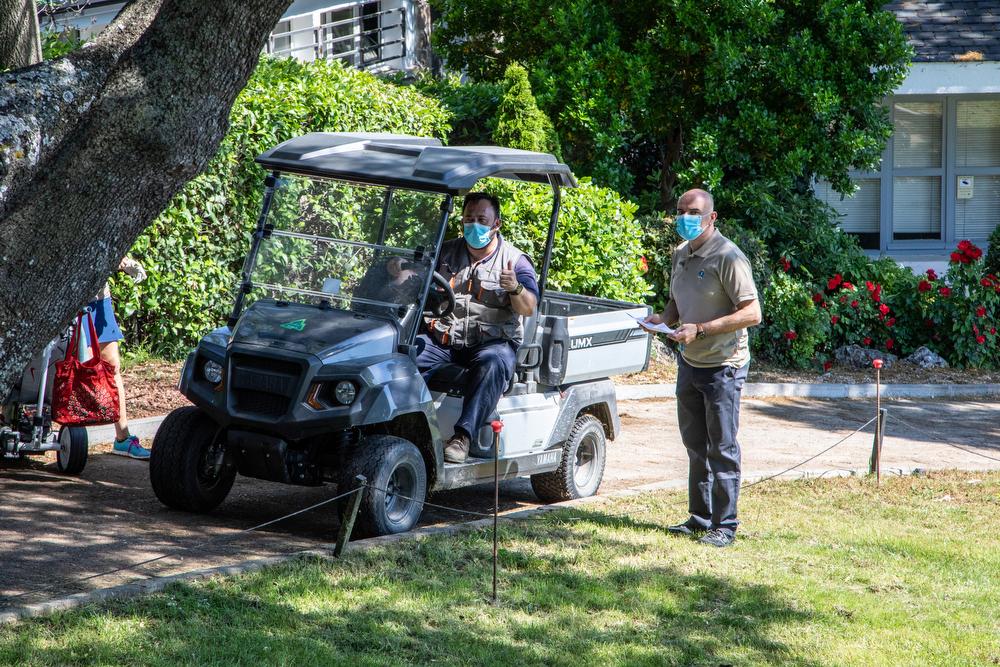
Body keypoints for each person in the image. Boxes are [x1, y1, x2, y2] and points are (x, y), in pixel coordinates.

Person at [642, 188, 762, 548]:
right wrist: (664, 318)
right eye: (680, 211)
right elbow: (677, 299)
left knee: (721, 446)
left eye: (693, 212)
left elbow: (752, 313)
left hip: (723, 364)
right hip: (690, 361)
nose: (684, 218)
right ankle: (699, 518)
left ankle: (725, 526)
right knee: (695, 443)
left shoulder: (729, 257)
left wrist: (702, 329)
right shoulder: (681, 252)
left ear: (712, 218)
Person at [416, 192, 539, 463]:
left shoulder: (515, 261)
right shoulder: (445, 251)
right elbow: (415, 281)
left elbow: (529, 307)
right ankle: (406, 428)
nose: (474, 225)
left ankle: (462, 437)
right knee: (407, 356)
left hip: (491, 343)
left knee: (493, 363)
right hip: (444, 340)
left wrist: (515, 287)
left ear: (497, 224)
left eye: (482, 219)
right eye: (469, 219)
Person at [84, 257, 149, 460]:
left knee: (112, 366)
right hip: (67, 297)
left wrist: (125, 262)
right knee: (70, 365)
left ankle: (123, 438)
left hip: (98, 300)